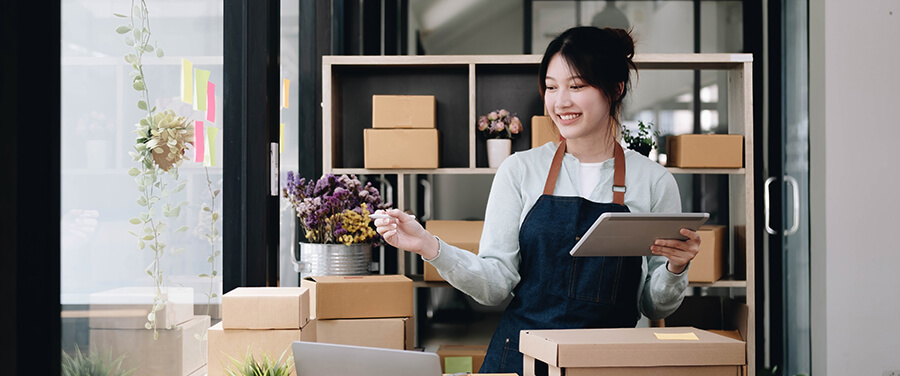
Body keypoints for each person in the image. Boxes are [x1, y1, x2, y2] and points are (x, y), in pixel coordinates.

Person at [373, 26, 700, 375]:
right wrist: (430, 246)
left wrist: (675, 267)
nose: (561, 102)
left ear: (615, 89)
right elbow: (495, 285)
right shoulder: (519, 170)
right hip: (521, 360)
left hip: (607, 362)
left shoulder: (653, 181)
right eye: (551, 86)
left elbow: (654, 306)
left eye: (577, 86)